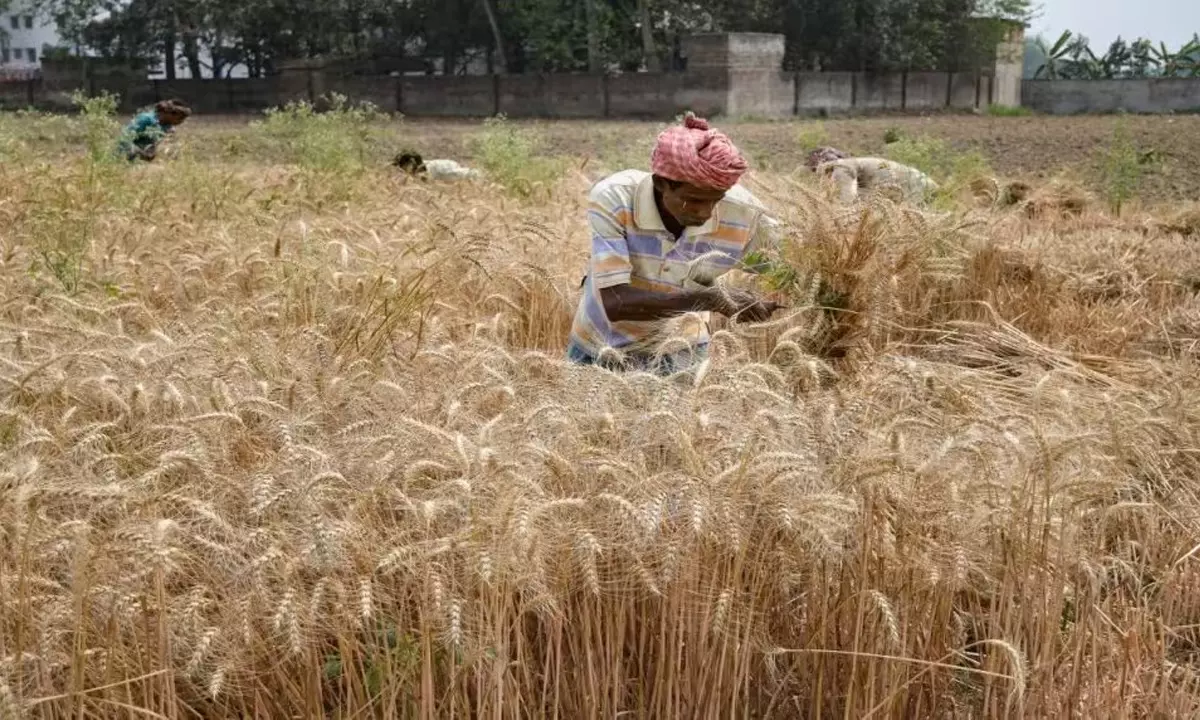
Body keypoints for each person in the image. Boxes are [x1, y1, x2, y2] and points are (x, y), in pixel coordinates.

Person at [567, 112, 782, 375]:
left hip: (682, 353)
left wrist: (833, 320)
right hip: (599, 348)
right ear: (661, 183)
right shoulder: (615, 198)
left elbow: (800, 266)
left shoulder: (746, 213)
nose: (705, 213)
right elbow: (616, 303)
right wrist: (712, 300)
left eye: (715, 200)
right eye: (693, 200)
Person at [806, 147, 938, 205]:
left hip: (917, 191)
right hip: (927, 186)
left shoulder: (840, 167)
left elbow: (847, 204)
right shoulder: (856, 165)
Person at [117, 100, 192, 162]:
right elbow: (124, 140)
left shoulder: (168, 126)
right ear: (169, 114)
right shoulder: (146, 119)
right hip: (124, 158)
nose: (181, 122)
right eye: (180, 118)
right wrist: (141, 153)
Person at [392, 150, 481, 181]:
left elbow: (471, 174)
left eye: (402, 166)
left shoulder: (437, 170)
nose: (401, 169)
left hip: (447, 168)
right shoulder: (419, 169)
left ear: (410, 164)